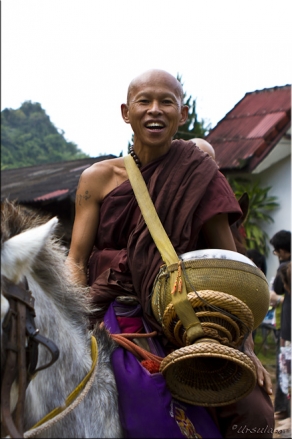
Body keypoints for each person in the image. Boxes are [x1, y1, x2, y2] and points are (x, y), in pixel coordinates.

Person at [67, 69, 274, 438]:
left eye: (167, 102)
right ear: (125, 112)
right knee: (143, 403)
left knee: (253, 413)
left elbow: (233, 269)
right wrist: (73, 324)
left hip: (192, 313)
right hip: (121, 310)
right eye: (144, 101)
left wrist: (246, 347)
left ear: (183, 113)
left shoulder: (200, 173)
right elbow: (76, 260)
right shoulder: (97, 179)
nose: (154, 110)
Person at [269, 230, 291, 421]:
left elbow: (275, 290)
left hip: (286, 332)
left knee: (284, 368)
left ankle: (283, 409)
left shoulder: (285, 268)